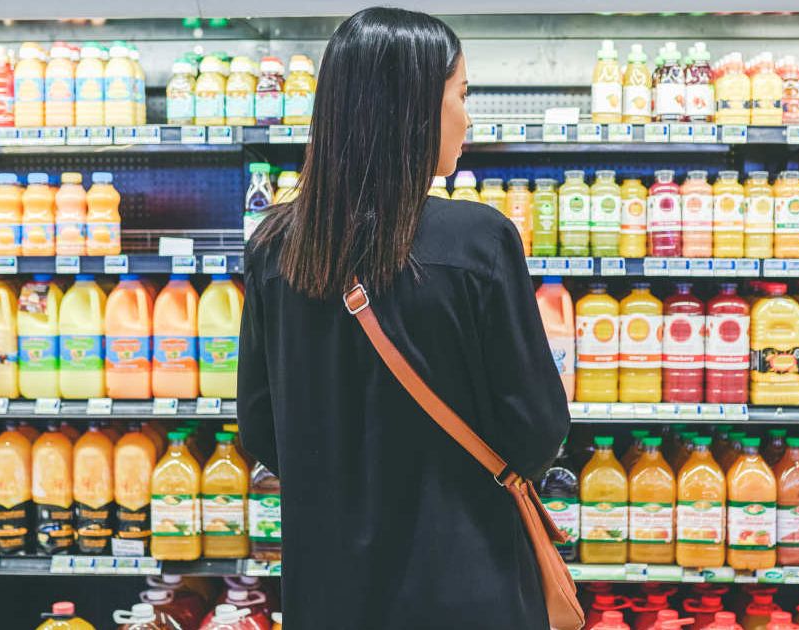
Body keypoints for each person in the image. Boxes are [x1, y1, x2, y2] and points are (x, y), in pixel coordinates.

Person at [238, 7, 570, 628]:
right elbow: (537, 429)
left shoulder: (273, 248)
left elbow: (260, 428)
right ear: (414, 108)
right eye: (461, 95)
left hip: (328, 591)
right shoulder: (479, 241)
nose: (467, 116)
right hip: (467, 585)